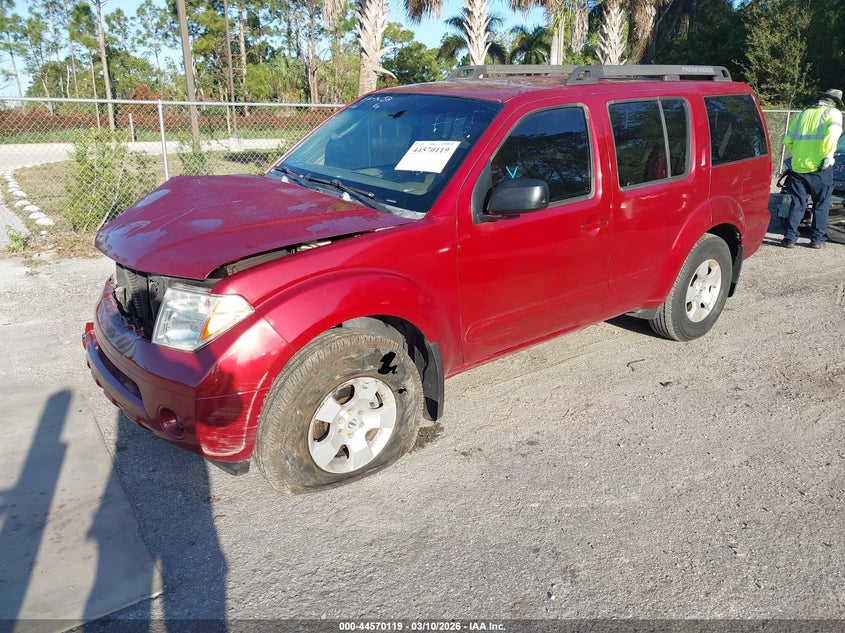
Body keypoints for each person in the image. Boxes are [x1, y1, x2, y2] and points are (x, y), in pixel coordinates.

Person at [781, 88, 843, 249]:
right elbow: (832, 136)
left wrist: (800, 153)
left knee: (797, 203)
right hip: (820, 166)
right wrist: (828, 156)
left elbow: (788, 140)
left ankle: (790, 238)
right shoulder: (833, 113)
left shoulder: (802, 114)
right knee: (821, 204)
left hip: (798, 166)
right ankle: (817, 239)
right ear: (835, 102)